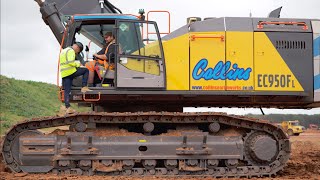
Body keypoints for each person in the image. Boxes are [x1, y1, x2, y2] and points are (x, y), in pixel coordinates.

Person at [60, 42, 91, 114]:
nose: (77, 53)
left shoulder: (64, 50)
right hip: (70, 72)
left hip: (64, 74)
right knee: (86, 70)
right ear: (77, 48)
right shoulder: (71, 51)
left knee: (67, 91)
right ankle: (84, 86)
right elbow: (70, 62)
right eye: (78, 52)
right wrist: (79, 64)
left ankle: (67, 107)